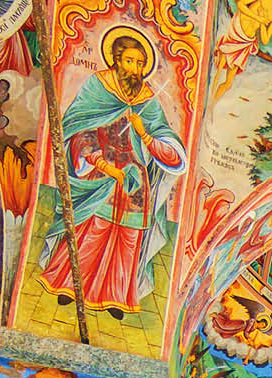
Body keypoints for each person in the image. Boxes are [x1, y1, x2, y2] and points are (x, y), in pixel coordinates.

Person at [35, 29, 187, 319]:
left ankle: (117, 297)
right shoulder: (98, 87)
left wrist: (145, 134)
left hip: (135, 182)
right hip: (102, 172)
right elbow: (80, 129)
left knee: (129, 239)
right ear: (117, 60)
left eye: (141, 63)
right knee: (94, 230)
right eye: (130, 61)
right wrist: (102, 164)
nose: (136, 69)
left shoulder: (147, 100)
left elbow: (166, 144)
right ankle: (68, 284)